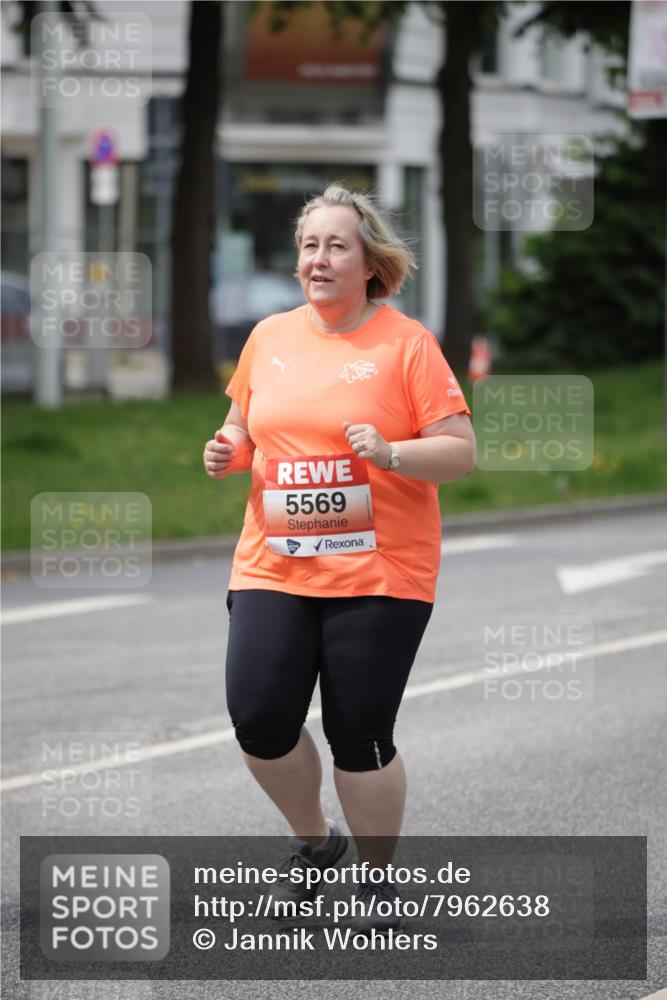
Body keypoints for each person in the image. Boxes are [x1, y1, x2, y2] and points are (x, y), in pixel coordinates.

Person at [203, 184, 476, 931]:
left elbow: (458, 452)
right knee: (258, 717)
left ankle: (377, 878)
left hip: (381, 572)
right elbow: (242, 429)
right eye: (307, 246)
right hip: (274, 563)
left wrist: (390, 453)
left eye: (334, 246)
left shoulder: (405, 344)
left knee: (359, 732)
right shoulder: (270, 338)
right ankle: (314, 838)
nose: (316, 259)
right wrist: (227, 451)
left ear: (367, 263)